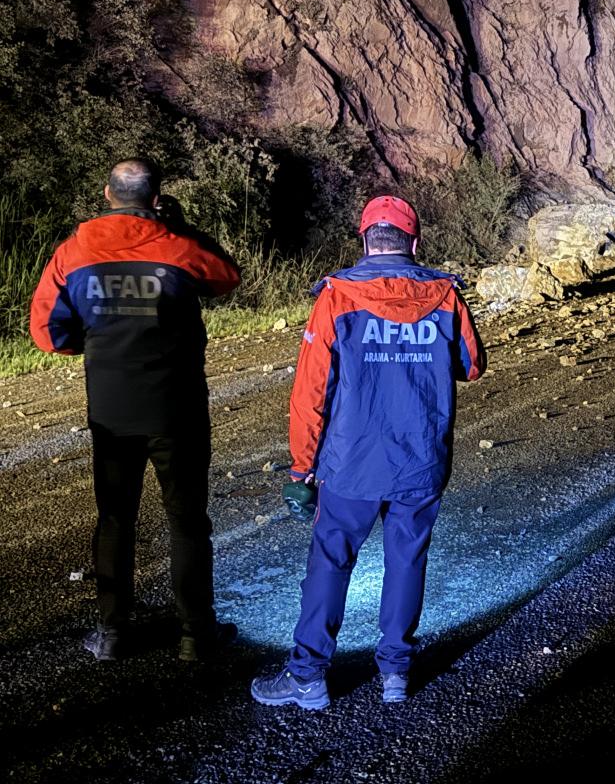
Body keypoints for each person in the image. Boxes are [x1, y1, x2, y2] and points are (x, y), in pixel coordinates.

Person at [251, 195, 486, 709]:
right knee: (407, 560)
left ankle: (308, 675)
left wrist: (301, 468)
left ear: (364, 242)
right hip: (420, 460)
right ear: (414, 243)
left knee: (331, 562)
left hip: (351, 463)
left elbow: (311, 391)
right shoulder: (445, 295)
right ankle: (396, 674)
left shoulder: (337, 297)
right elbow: (471, 364)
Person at [29, 157, 242, 662]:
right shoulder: (178, 246)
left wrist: (98, 343)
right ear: (155, 197)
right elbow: (226, 278)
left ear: (108, 194)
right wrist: (182, 224)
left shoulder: (73, 252)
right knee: (187, 521)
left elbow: (46, 333)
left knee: (114, 519)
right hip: (177, 409)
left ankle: (112, 632)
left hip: (111, 410)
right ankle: (196, 634)